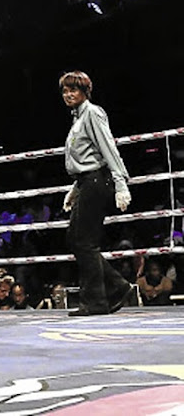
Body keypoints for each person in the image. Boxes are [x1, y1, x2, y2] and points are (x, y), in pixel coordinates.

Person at [60, 70, 135, 316]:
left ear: (85, 92)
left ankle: (97, 301)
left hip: (96, 181)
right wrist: (74, 188)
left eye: (73, 89)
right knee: (76, 240)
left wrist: (121, 183)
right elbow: (87, 157)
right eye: (65, 90)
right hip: (86, 182)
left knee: (84, 242)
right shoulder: (77, 118)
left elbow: (108, 148)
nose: (68, 94)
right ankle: (117, 287)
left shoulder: (92, 112)